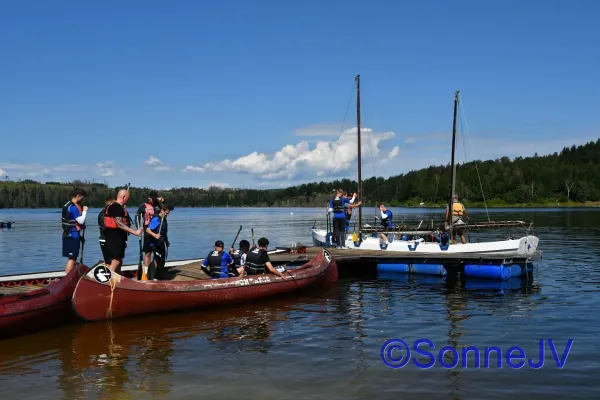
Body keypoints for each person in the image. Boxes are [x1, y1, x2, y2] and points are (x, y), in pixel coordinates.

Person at [103, 189, 142, 273]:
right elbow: (119, 224)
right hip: (114, 238)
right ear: (124, 197)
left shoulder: (118, 207)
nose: (128, 199)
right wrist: (135, 232)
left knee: (119, 261)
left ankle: (116, 281)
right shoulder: (116, 207)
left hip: (118, 237)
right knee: (116, 261)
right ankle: (108, 281)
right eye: (128, 198)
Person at [61, 188, 88, 273]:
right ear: (78, 196)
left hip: (68, 234)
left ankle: (68, 276)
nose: (83, 199)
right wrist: (84, 211)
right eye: (82, 197)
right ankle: (68, 278)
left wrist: (80, 237)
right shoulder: (72, 207)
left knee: (71, 257)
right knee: (72, 258)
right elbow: (81, 221)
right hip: (73, 235)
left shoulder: (67, 205)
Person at [136, 191, 165, 269]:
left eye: (155, 199)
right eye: (153, 199)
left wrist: (163, 200)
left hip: (158, 232)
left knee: (157, 253)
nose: (154, 200)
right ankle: (146, 271)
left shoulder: (159, 205)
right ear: (149, 198)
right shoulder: (143, 206)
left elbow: (166, 209)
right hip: (148, 233)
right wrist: (138, 228)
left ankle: (155, 271)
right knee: (148, 253)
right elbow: (137, 217)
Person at [145, 203, 174, 280]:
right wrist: (155, 235)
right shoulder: (156, 219)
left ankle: (158, 276)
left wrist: (166, 241)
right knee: (157, 260)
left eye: (168, 213)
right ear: (162, 210)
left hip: (162, 243)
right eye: (167, 213)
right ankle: (152, 277)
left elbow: (164, 232)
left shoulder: (164, 219)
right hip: (155, 243)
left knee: (162, 261)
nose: (168, 215)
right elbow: (148, 230)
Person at [98, 196, 114, 263]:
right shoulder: (104, 213)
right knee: (110, 261)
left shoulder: (110, 212)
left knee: (112, 261)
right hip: (106, 239)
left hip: (107, 239)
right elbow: (103, 227)